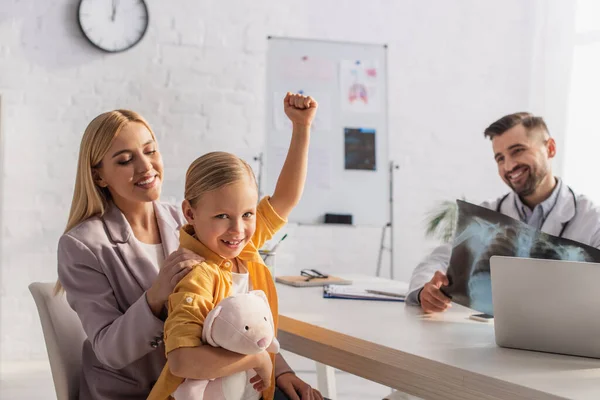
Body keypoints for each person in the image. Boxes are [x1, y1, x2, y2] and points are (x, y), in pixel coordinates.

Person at [148, 93, 324, 400]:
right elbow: (180, 360)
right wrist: (258, 359)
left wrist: (301, 127)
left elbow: (285, 199)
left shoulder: (242, 248)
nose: (238, 229)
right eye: (222, 216)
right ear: (190, 213)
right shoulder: (195, 274)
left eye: (248, 214)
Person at [57, 110, 204, 399]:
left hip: (200, 385)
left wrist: (280, 370)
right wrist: (155, 297)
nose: (146, 166)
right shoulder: (81, 246)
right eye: (125, 160)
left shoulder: (187, 222)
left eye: (150, 151)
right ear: (98, 176)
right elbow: (108, 350)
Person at [407, 112, 600, 313]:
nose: (509, 166)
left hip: (568, 335)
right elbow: (437, 260)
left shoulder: (592, 220)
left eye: (517, 151)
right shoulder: (487, 215)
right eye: (500, 158)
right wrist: (424, 291)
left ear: (550, 148)